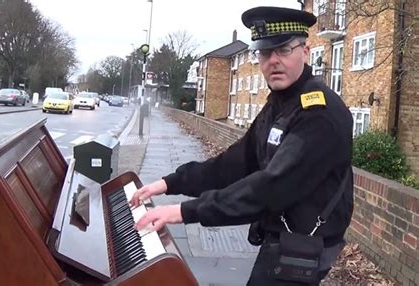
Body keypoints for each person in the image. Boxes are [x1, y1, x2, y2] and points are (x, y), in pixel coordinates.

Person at [130, 6, 354, 286]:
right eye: (265, 53)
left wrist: (184, 212)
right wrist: (168, 183)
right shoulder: (281, 103)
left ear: (305, 52)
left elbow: (271, 186)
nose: (273, 61)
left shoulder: (319, 113)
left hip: (304, 247)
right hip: (284, 237)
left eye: (283, 50)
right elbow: (235, 163)